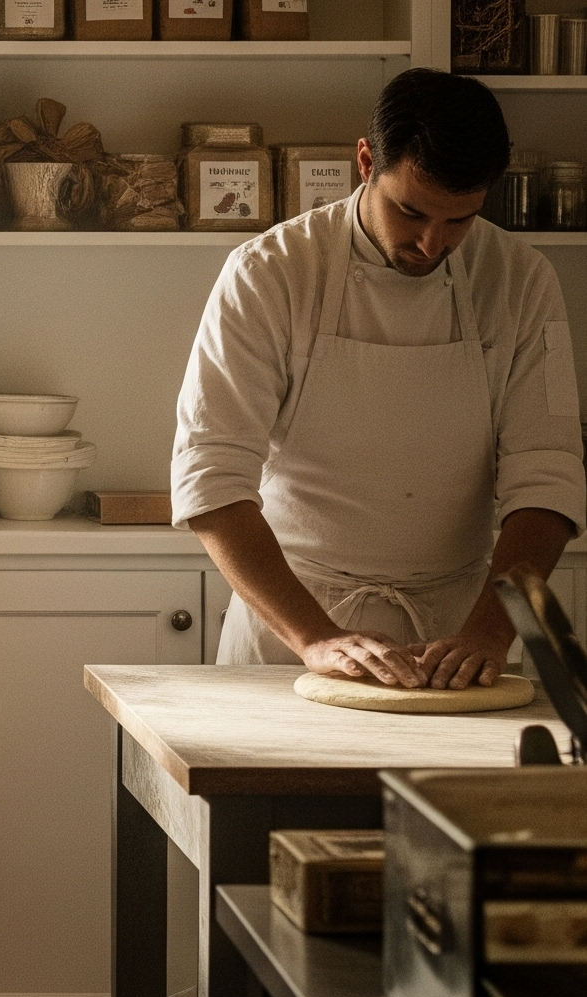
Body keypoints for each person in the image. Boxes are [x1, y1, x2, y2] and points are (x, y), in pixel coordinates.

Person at [173, 69, 584, 689]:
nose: (430, 242)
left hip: (461, 638)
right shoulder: (269, 274)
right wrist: (315, 638)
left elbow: (547, 478)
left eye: (459, 221)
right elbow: (211, 477)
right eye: (411, 211)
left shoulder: (522, 282)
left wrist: (491, 631)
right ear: (365, 161)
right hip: (292, 633)